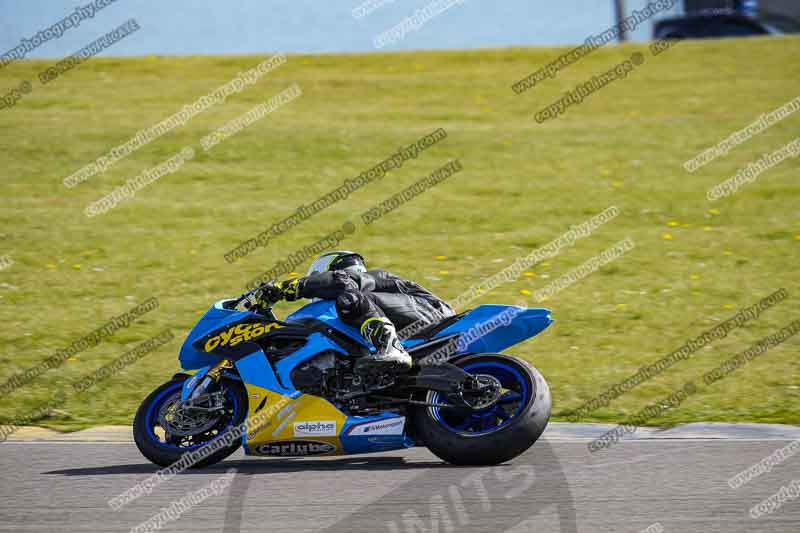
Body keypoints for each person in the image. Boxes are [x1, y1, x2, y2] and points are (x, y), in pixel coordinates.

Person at [256, 251, 454, 371]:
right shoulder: (364, 307)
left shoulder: (367, 278)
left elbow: (339, 281)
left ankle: (392, 349)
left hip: (433, 314)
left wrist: (288, 287)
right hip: (419, 330)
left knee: (351, 299)